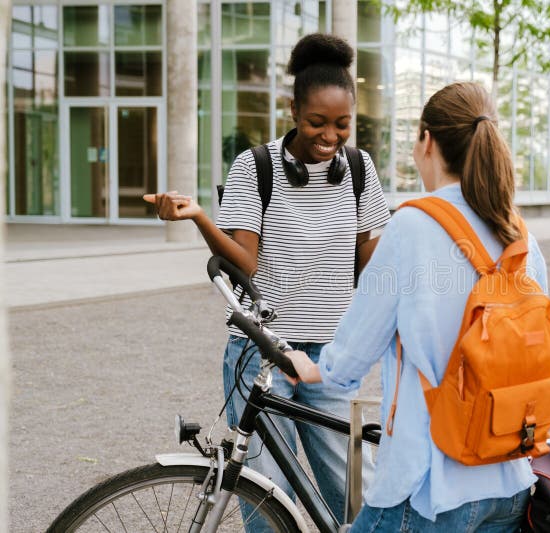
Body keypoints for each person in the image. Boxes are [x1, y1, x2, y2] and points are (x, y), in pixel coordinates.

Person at [145, 33, 390, 531]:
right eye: (316, 122)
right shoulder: (255, 167)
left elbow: (368, 260)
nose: (330, 136)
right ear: (292, 109)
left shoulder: (361, 169)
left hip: (331, 357)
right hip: (260, 354)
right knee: (265, 497)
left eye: (342, 124)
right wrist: (199, 217)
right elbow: (246, 263)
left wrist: (414, 241)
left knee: (353, 492)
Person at [286, 81, 548, 532]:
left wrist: (312, 368)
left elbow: (353, 353)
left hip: (427, 487)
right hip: (510, 477)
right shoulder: (518, 234)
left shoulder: (411, 225)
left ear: (427, 140)